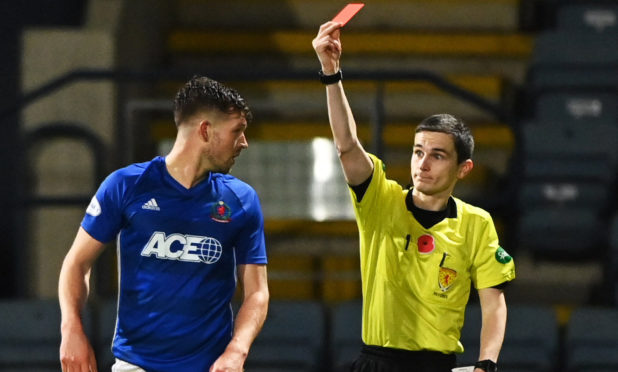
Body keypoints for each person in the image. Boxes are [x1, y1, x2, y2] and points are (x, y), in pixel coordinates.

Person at [312, 22, 516, 372]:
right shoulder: (380, 199)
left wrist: (486, 363)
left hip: (436, 365)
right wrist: (331, 73)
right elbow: (346, 145)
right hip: (375, 361)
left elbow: (494, 303)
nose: (423, 163)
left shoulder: (477, 224)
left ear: (463, 168)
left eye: (437, 155)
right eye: (418, 151)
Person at [58, 75, 269, 372]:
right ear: (205, 131)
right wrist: (71, 329)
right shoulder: (125, 185)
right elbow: (76, 263)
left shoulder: (241, 200)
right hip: (136, 365)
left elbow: (258, 292)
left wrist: (237, 350)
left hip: (211, 367)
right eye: (237, 131)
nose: (244, 143)